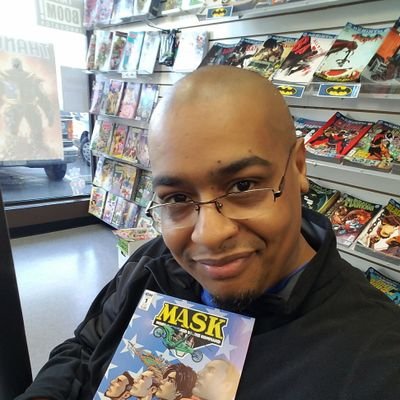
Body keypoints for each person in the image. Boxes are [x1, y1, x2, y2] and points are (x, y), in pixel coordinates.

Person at [16, 65, 400, 400]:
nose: (209, 235)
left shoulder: (377, 360)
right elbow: (86, 346)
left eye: (243, 186)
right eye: (178, 197)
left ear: (299, 167)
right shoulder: (153, 263)